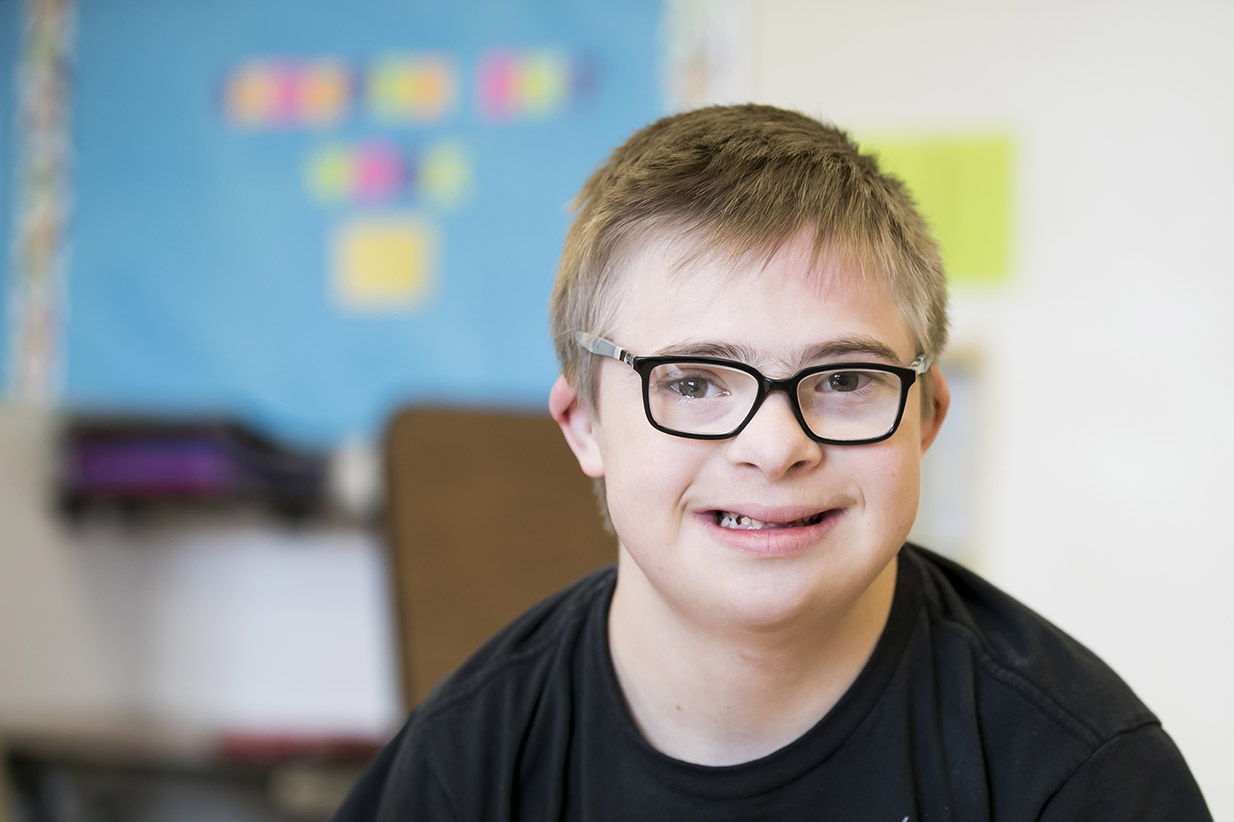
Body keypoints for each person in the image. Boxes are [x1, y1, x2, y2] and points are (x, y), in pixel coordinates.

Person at [332, 104, 1211, 820]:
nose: (776, 445)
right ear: (584, 426)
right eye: (695, 382)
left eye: (844, 378)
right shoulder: (464, 766)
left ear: (928, 415)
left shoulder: (1080, 776)